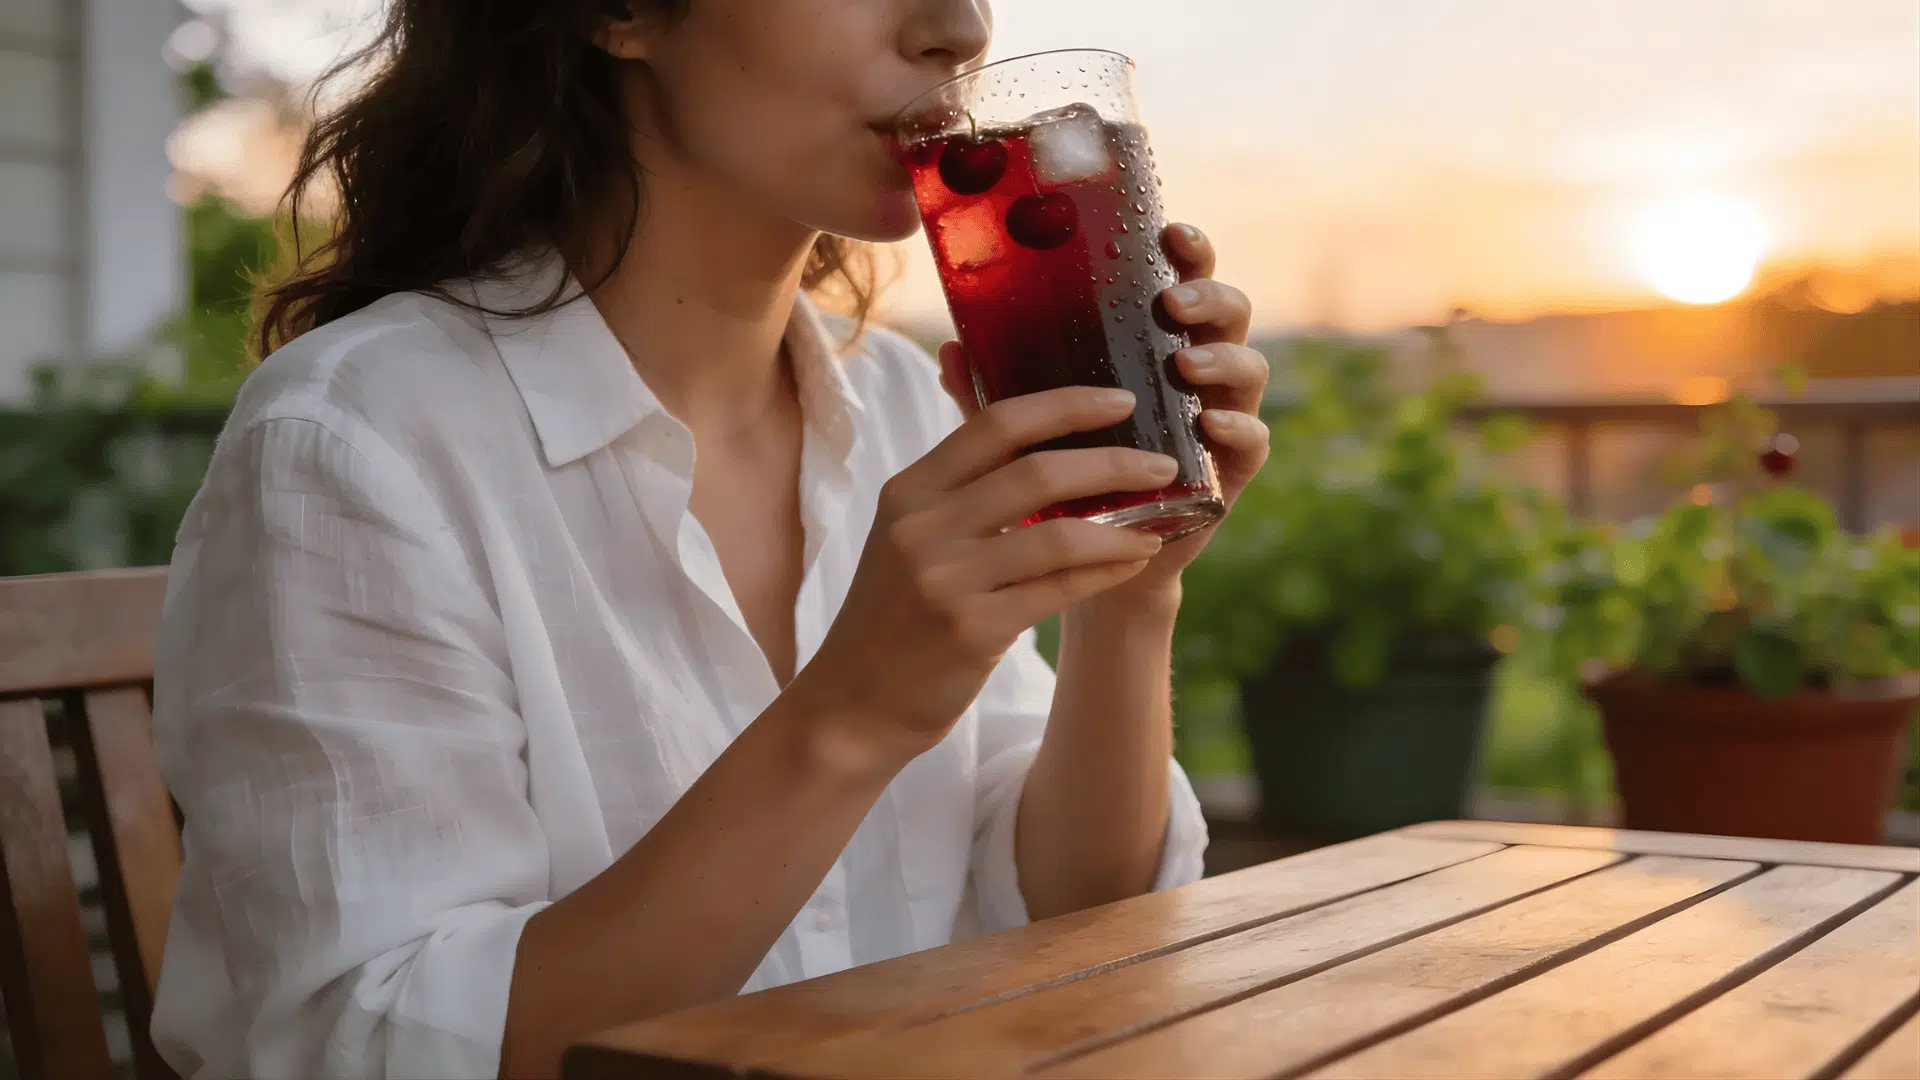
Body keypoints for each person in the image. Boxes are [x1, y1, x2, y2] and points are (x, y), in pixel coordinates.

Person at [147, 1, 1271, 1077]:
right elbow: (372, 1043)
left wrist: (1128, 601)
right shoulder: (358, 441)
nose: (960, 27)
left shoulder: (910, 407)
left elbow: (1071, 917)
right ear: (620, 8)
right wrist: (854, 713)